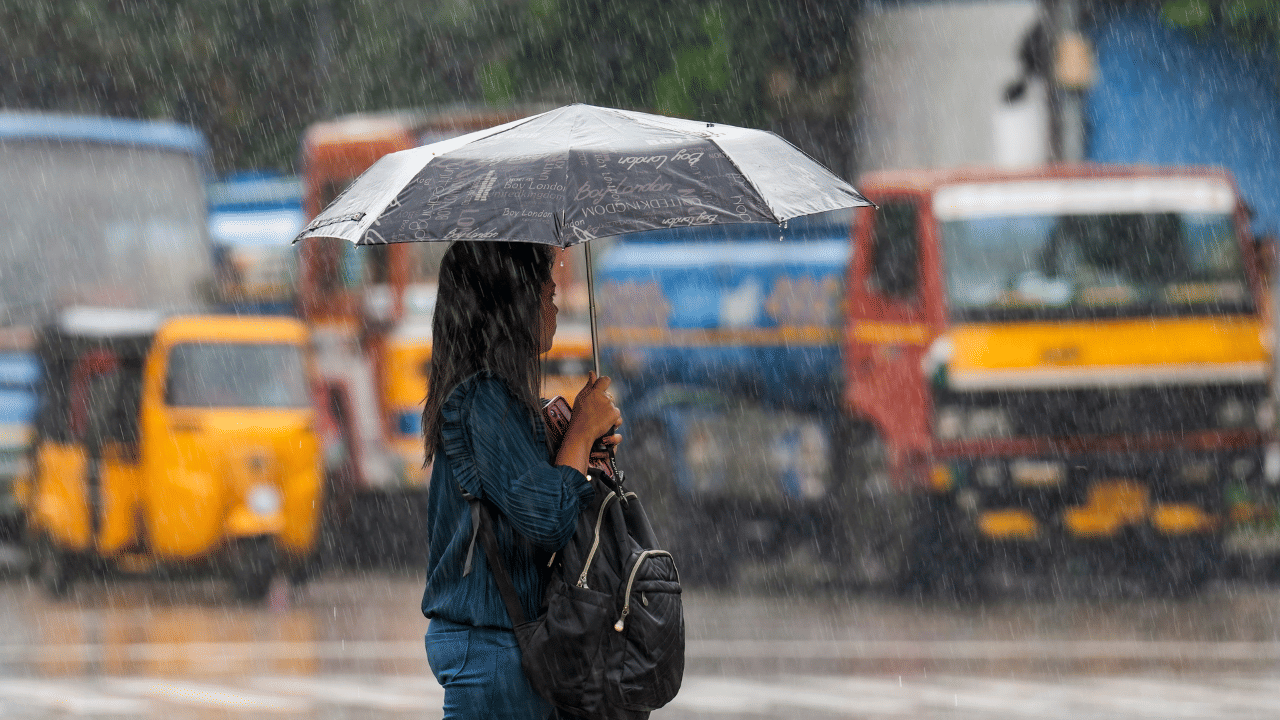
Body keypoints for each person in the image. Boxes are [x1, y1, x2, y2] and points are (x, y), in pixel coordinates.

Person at [420, 241, 623, 720]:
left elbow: (522, 498)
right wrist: (580, 431)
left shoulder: (496, 400)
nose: (553, 308)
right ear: (514, 306)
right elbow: (549, 516)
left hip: (508, 647)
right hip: (493, 651)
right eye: (547, 296)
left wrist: (578, 446)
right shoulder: (483, 400)